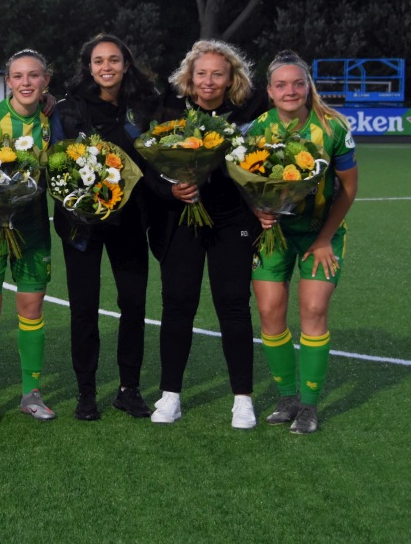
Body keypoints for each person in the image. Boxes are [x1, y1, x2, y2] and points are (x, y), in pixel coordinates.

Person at [148, 39, 266, 429]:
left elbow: (262, 166)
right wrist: (172, 189)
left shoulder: (252, 111)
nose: (209, 82)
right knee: (178, 304)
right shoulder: (170, 110)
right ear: (190, 77)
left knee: (233, 304)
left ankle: (243, 400)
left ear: (232, 77)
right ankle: (170, 396)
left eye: (218, 74)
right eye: (202, 74)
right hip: (182, 219)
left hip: (232, 220)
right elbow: (150, 168)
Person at [49, 33, 160, 421]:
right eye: (99, 61)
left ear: (126, 64)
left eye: (114, 60)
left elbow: (156, 160)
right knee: (84, 308)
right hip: (83, 225)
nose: (107, 67)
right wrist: (84, 205)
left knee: (133, 305)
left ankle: (129, 390)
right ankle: (86, 392)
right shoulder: (67, 110)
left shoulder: (144, 106)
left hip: (130, 221)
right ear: (89, 67)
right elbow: (57, 168)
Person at [250, 50, 357, 434]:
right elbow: (245, 185)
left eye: (298, 83)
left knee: (312, 310)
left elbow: (348, 189)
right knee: (269, 313)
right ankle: (287, 397)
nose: (290, 90)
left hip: (319, 234)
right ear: (270, 91)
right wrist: (259, 212)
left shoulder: (332, 128)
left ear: (307, 87)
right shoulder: (256, 129)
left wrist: (326, 237)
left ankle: (309, 407)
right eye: (282, 85)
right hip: (274, 235)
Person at [0, 49, 56, 425]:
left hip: (33, 228)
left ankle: (30, 394)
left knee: (31, 309)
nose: (26, 83)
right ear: (7, 81)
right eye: (18, 76)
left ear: (45, 81)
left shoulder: (53, 122)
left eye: (33, 76)